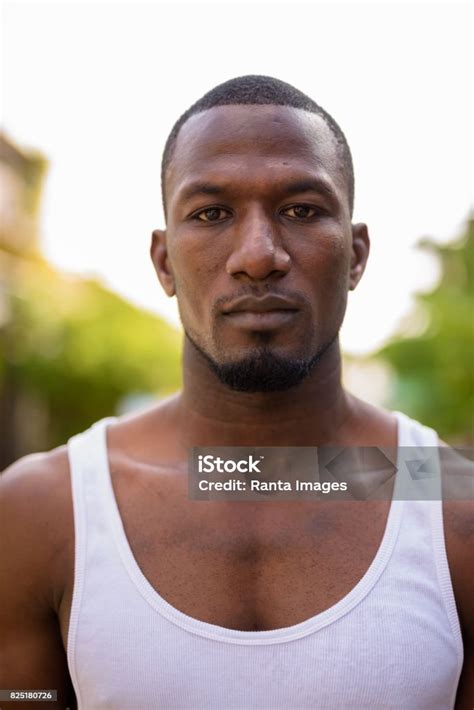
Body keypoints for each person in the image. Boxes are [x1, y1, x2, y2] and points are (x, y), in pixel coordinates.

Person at [0, 75, 472, 710]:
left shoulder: (449, 506)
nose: (258, 256)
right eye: (211, 213)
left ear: (357, 255)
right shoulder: (41, 514)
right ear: (164, 262)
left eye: (302, 209)